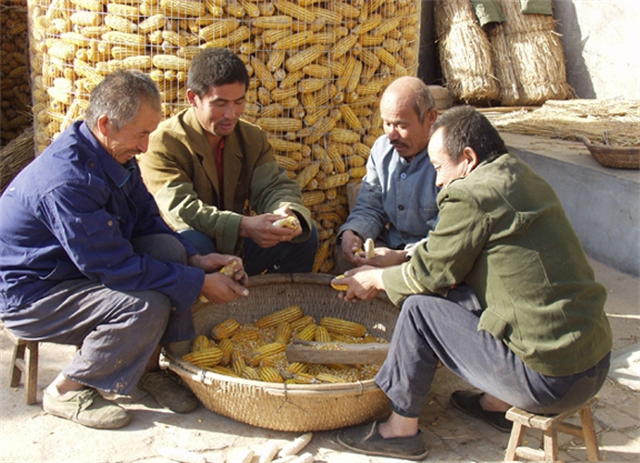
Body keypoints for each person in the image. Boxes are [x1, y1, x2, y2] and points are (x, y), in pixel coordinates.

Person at [331, 106, 612, 461]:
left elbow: (428, 278)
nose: (437, 182)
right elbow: (452, 255)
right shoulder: (520, 174)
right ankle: (497, 402)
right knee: (474, 292)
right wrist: (400, 258)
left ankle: (398, 431)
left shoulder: (470, 192)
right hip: (593, 364)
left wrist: (375, 278)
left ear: (468, 158)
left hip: (549, 381)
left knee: (420, 310)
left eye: (438, 168)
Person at [0, 70, 250, 430]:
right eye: (141, 134)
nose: (146, 147)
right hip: (35, 293)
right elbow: (114, 268)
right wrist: (199, 283)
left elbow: (149, 220)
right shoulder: (69, 182)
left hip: (76, 270)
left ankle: (144, 370)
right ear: (106, 123)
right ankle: (68, 389)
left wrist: (194, 258)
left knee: (168, 248)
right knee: (148, 305)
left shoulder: (113, 153)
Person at [139, 48, 318, 276]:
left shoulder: (251, 138)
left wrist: (286, 212)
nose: (231, 114)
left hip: (236, 243)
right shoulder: (163, 142)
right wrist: (243, 226)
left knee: (304, 236)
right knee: (196, 243)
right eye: (220, 103)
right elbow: (182, 210)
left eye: (239, 102)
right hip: (186, 247)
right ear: (193, 98)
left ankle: (280, 305)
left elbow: (273, 186)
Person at [337, 76, 439, 272]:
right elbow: (371, 206)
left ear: (430, 118)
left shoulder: (447, 158)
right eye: (387, 123)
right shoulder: (382, 149)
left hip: (429, 256)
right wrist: (354, 232)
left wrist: (401, 257)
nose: (392, 135)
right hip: (392, 245)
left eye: (401, 126)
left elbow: (447, 236)